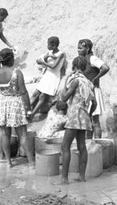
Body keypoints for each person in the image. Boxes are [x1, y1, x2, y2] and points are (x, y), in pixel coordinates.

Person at [0, 48, 34, 167]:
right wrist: (29, 109)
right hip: (15, 103)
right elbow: (23, 92)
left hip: (1, 102)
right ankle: (31, 163)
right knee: (22, 134)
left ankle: (8, 162)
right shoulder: (16, 72)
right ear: (11, 59)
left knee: (5, 133)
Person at [60, 56, 96, 185]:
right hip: (84, 117)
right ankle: (82, 177)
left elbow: (64, 98)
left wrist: (65, 82)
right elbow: (95, 104)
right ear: (84, 68)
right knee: (82, 147)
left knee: (65, 146)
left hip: (74, 116)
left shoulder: (75, 81)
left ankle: (64, 179)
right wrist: (89, 114)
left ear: (74, 67)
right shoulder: (88, 82)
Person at [78, 39, 110, 138]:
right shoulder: (83, 59)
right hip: (86, 92)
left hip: (93, 91)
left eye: (80, 48)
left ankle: (97, 145)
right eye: (78, 48)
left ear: (87, 49)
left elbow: (105, 67)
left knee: (95, 121)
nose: (78, 50)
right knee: (87, 121)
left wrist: (96, 78)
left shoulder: (92, 58)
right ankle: (89, 144)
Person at [30, 36, 66, 118]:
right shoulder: (49, 53)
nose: (47, 46)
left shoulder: (61, 54)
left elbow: (53, 66)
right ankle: (26, 111)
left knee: (42, 96)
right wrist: (45, 59)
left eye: (48, 44)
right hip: (47, 75)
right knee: (35, 94)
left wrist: (43, 61)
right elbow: (43, 63)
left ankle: (32, 114)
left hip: (53, 77)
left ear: (53, 45)